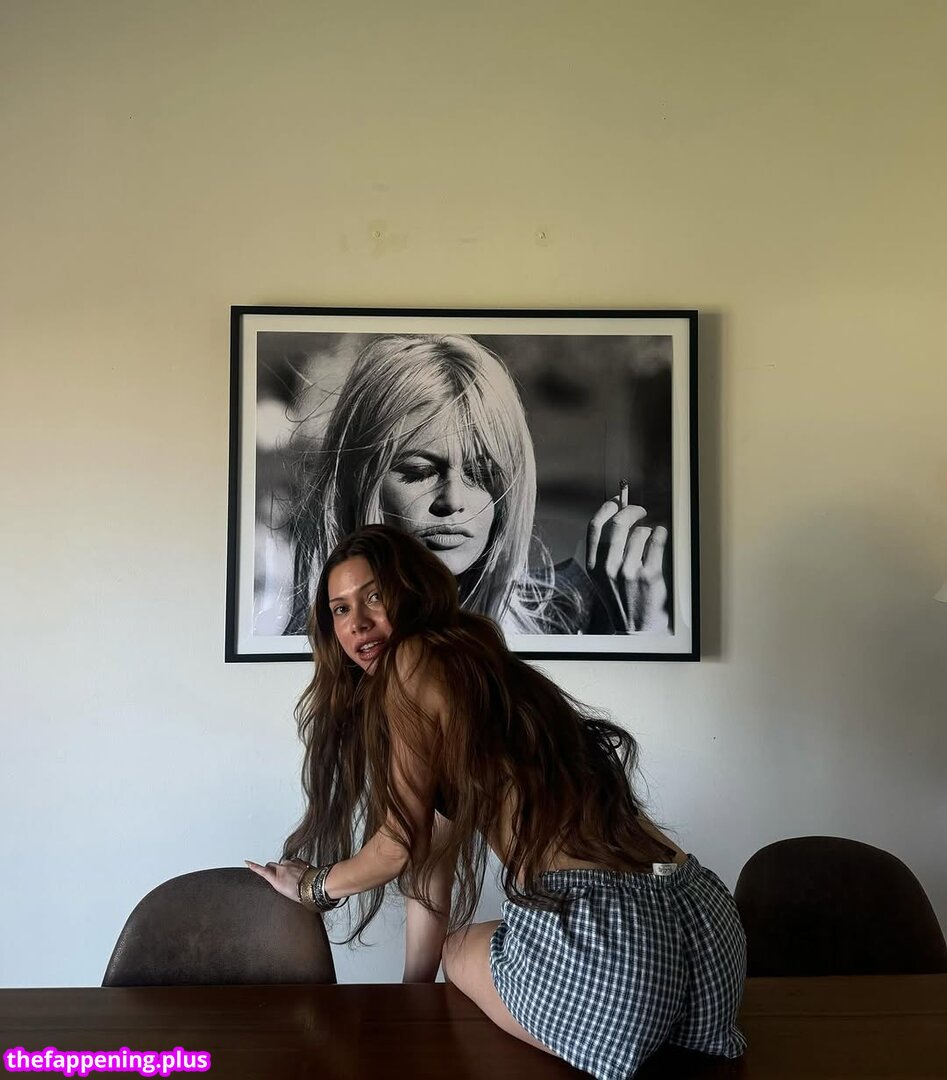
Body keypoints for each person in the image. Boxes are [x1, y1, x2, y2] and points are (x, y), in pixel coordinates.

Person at [248, 525, 745, 1079]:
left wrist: (312, 887)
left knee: (459, 951)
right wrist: (411, 996)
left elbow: (395, 849)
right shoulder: (480, 668)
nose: (357, 623)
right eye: (340, 609)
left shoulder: (410, 662)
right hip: (702, 918)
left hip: (608, 941)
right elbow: (427, 856)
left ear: (411, 593)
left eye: (374, 596)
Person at [283, 334, 669, 638]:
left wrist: (640, 635)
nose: (453, 500)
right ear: (357, 482)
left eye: (482, 475)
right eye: (419, 472)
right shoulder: (310, 653)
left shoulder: (567, 623)